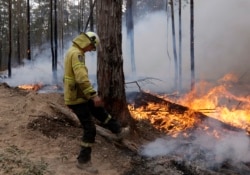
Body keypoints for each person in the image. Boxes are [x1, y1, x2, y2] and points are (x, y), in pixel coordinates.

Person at [63, 31, 129, 174]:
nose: (91, 50)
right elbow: (81, 78)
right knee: (90, 129)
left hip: (80, 95)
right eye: (92, 47)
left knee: (100, 112)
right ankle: (83, 161)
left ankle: (118, 131)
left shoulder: (74, 51)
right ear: (87, 42)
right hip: (76, 99)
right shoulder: (77, 54)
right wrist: (93, 95)